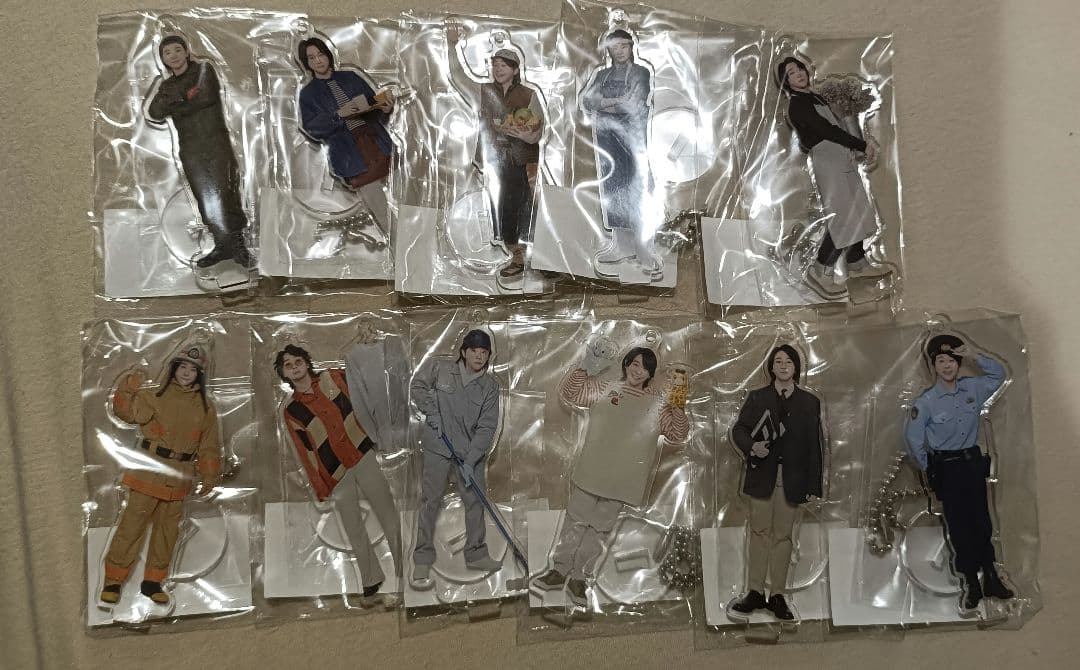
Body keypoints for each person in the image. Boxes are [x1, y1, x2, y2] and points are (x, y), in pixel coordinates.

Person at [531, 346, 690, 606]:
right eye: (635, 364)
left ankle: (580, 577)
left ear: (651, 374)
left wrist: (678, 406)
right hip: (591, 472)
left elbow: (677, 434)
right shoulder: (605, 387)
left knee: (600, 531)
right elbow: (571, 393)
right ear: (626, 364)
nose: (638, 371)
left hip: (623, 481)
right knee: (575, 521)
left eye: (645, 368)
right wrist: (585, 365)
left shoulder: (658, 404)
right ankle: (558, 571)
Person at [99, 341, 222, 606]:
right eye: (183, 366)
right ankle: (113, 580)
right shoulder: (154, 396)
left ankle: (153, 581)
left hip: (179, 476)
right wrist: (128, 387)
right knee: (132, 526)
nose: (187, 372)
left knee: (167, 533)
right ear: (174, 367)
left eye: (193, 369)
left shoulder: (205, 408)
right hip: (149, 471)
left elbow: (209, 445)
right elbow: (126, 413)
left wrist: (210, 474)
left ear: (200, 374)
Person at [275, 344, 402, 597]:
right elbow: (305, 451)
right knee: (352, 524)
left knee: (386, 509)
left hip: (361, 451)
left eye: (298, 361)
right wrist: (320, 486)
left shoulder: (333, 377)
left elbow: (365, 394)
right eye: (288, 365)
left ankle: (403, 564)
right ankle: (371, 577)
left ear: (307, 362)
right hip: (334, 469)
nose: (295, 367)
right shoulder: (291, 411)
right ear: (284, 373)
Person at [904, 334, 1015, 611]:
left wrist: (973, 353)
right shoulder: (927, 401)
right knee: (959, 526)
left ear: (958, 362)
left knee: (982, 522)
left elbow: (999, 375)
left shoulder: (972, 388)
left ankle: (991, 577)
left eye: (952, 360)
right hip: (948, 468)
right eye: (940, 361)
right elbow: (913, 439)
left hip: (972, 464)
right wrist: (929, 467)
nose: (947, 366)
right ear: (933, 365)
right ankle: (971, 583)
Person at [729, 345, 823, 621]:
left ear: (796, 367)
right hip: (762, 475)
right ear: (770, 367)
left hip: (793, 479)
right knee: (759, 532)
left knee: (783, 536)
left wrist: (814, 485)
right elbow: (739, 429)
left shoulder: (809, 402)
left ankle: (778, 595)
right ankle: (755, 591)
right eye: (778, 361)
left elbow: (815, 445)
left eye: (788, 362)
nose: (783, 366)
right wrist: (752, 446)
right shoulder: (758, 397)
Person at [776, 56, 885, 290]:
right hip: (828, 161)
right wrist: (860, 144)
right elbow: (827, 130)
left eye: (800, 68)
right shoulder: (797, 105)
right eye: (791, 73)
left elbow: (835, 127)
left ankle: (857, 262)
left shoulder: (814, 97)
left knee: (856, 208)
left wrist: (851, 147)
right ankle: (820, 268)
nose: (798, 74)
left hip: (840, 156)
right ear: (786, 82)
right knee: (842, 215)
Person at [446, 24, 544, 279]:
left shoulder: (529, 94)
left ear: (515, 69)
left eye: (504, 65)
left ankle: (527, 254)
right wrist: (452, 45)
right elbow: (458, 76)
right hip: (492, 160)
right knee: (499, 207)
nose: (498, 69)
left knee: (521, 205)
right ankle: (515, 253)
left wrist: (522, 134)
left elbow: (537, 131)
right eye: (495, 65)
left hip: (520, 161)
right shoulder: (484, 91)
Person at [146, 35, 253, 268]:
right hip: (190, 149)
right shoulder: (166, 85)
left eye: (177, 50)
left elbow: (205, 96)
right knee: (205, 197)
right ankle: (222, 245)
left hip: (215, 143)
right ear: (162, 59)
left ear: (187, 51)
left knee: (226, 191)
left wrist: (177, 103)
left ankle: (238, 245)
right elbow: (155, 112)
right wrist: (185, 96)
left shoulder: (204, 70)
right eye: (167, 53)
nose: (173, 55)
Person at [410, 329, 502, 583]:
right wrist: (432, 412)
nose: (479, 356)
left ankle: (476, 555)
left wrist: (471, 462)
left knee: (475, 501)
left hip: (469, 452)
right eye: (474, 351)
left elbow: (487, 427)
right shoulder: (440, 368)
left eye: (484, 352)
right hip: (438, 446)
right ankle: (422, 558)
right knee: (430, 500)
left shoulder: (490, 387)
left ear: (489, 356)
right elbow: (417, 386)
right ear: (463, 352)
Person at [581, 29, 660, 279]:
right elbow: (588, 101)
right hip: (606, 138)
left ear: (631, 46)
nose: (619, 51)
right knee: (613, 188)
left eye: (623, 46)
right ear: (608, 49)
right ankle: (622, 246)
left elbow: (633, 105)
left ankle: (642, 246)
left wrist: (605, 104)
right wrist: (614, 102)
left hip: (633, 138)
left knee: (636, 188)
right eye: (614, 47)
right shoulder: (601, 75)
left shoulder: (641, 73)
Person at [297, 37, 395, 229]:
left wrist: (385, 108)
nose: (318, 60)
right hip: (351, 157)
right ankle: (397, 244)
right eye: (311, 57)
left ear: (328, 55)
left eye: (320, 54)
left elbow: (373, 107)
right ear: (306, 63)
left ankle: (411, 239)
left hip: (378, 142)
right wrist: (339, 115)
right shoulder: (309, 94)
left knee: (407, 197)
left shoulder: (350, 78)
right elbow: (313, 128)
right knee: (381, 210)